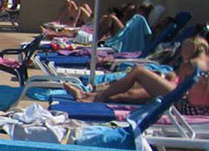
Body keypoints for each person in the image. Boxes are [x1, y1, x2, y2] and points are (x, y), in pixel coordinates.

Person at [63, 37, 209, 112]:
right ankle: (88, 96)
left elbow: (181, 91)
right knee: (133, 93)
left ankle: (96, 96)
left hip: (183, 105)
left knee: (138, 72)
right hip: (200, 109)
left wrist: (161, 82)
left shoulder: (189, 64)